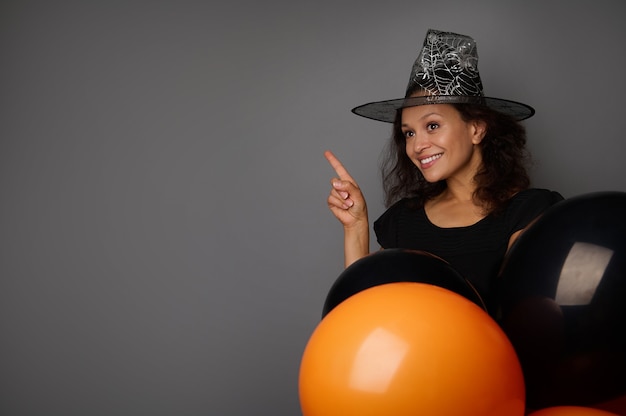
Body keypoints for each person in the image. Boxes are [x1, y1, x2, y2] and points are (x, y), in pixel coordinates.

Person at [325, 29, 563, 310]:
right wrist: (356, 227)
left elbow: (529, 318)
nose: (416, 145)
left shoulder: (527, 212)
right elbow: (363, 313)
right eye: (409, 133)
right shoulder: (403, 221)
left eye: (432, 126)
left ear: (477, 128)